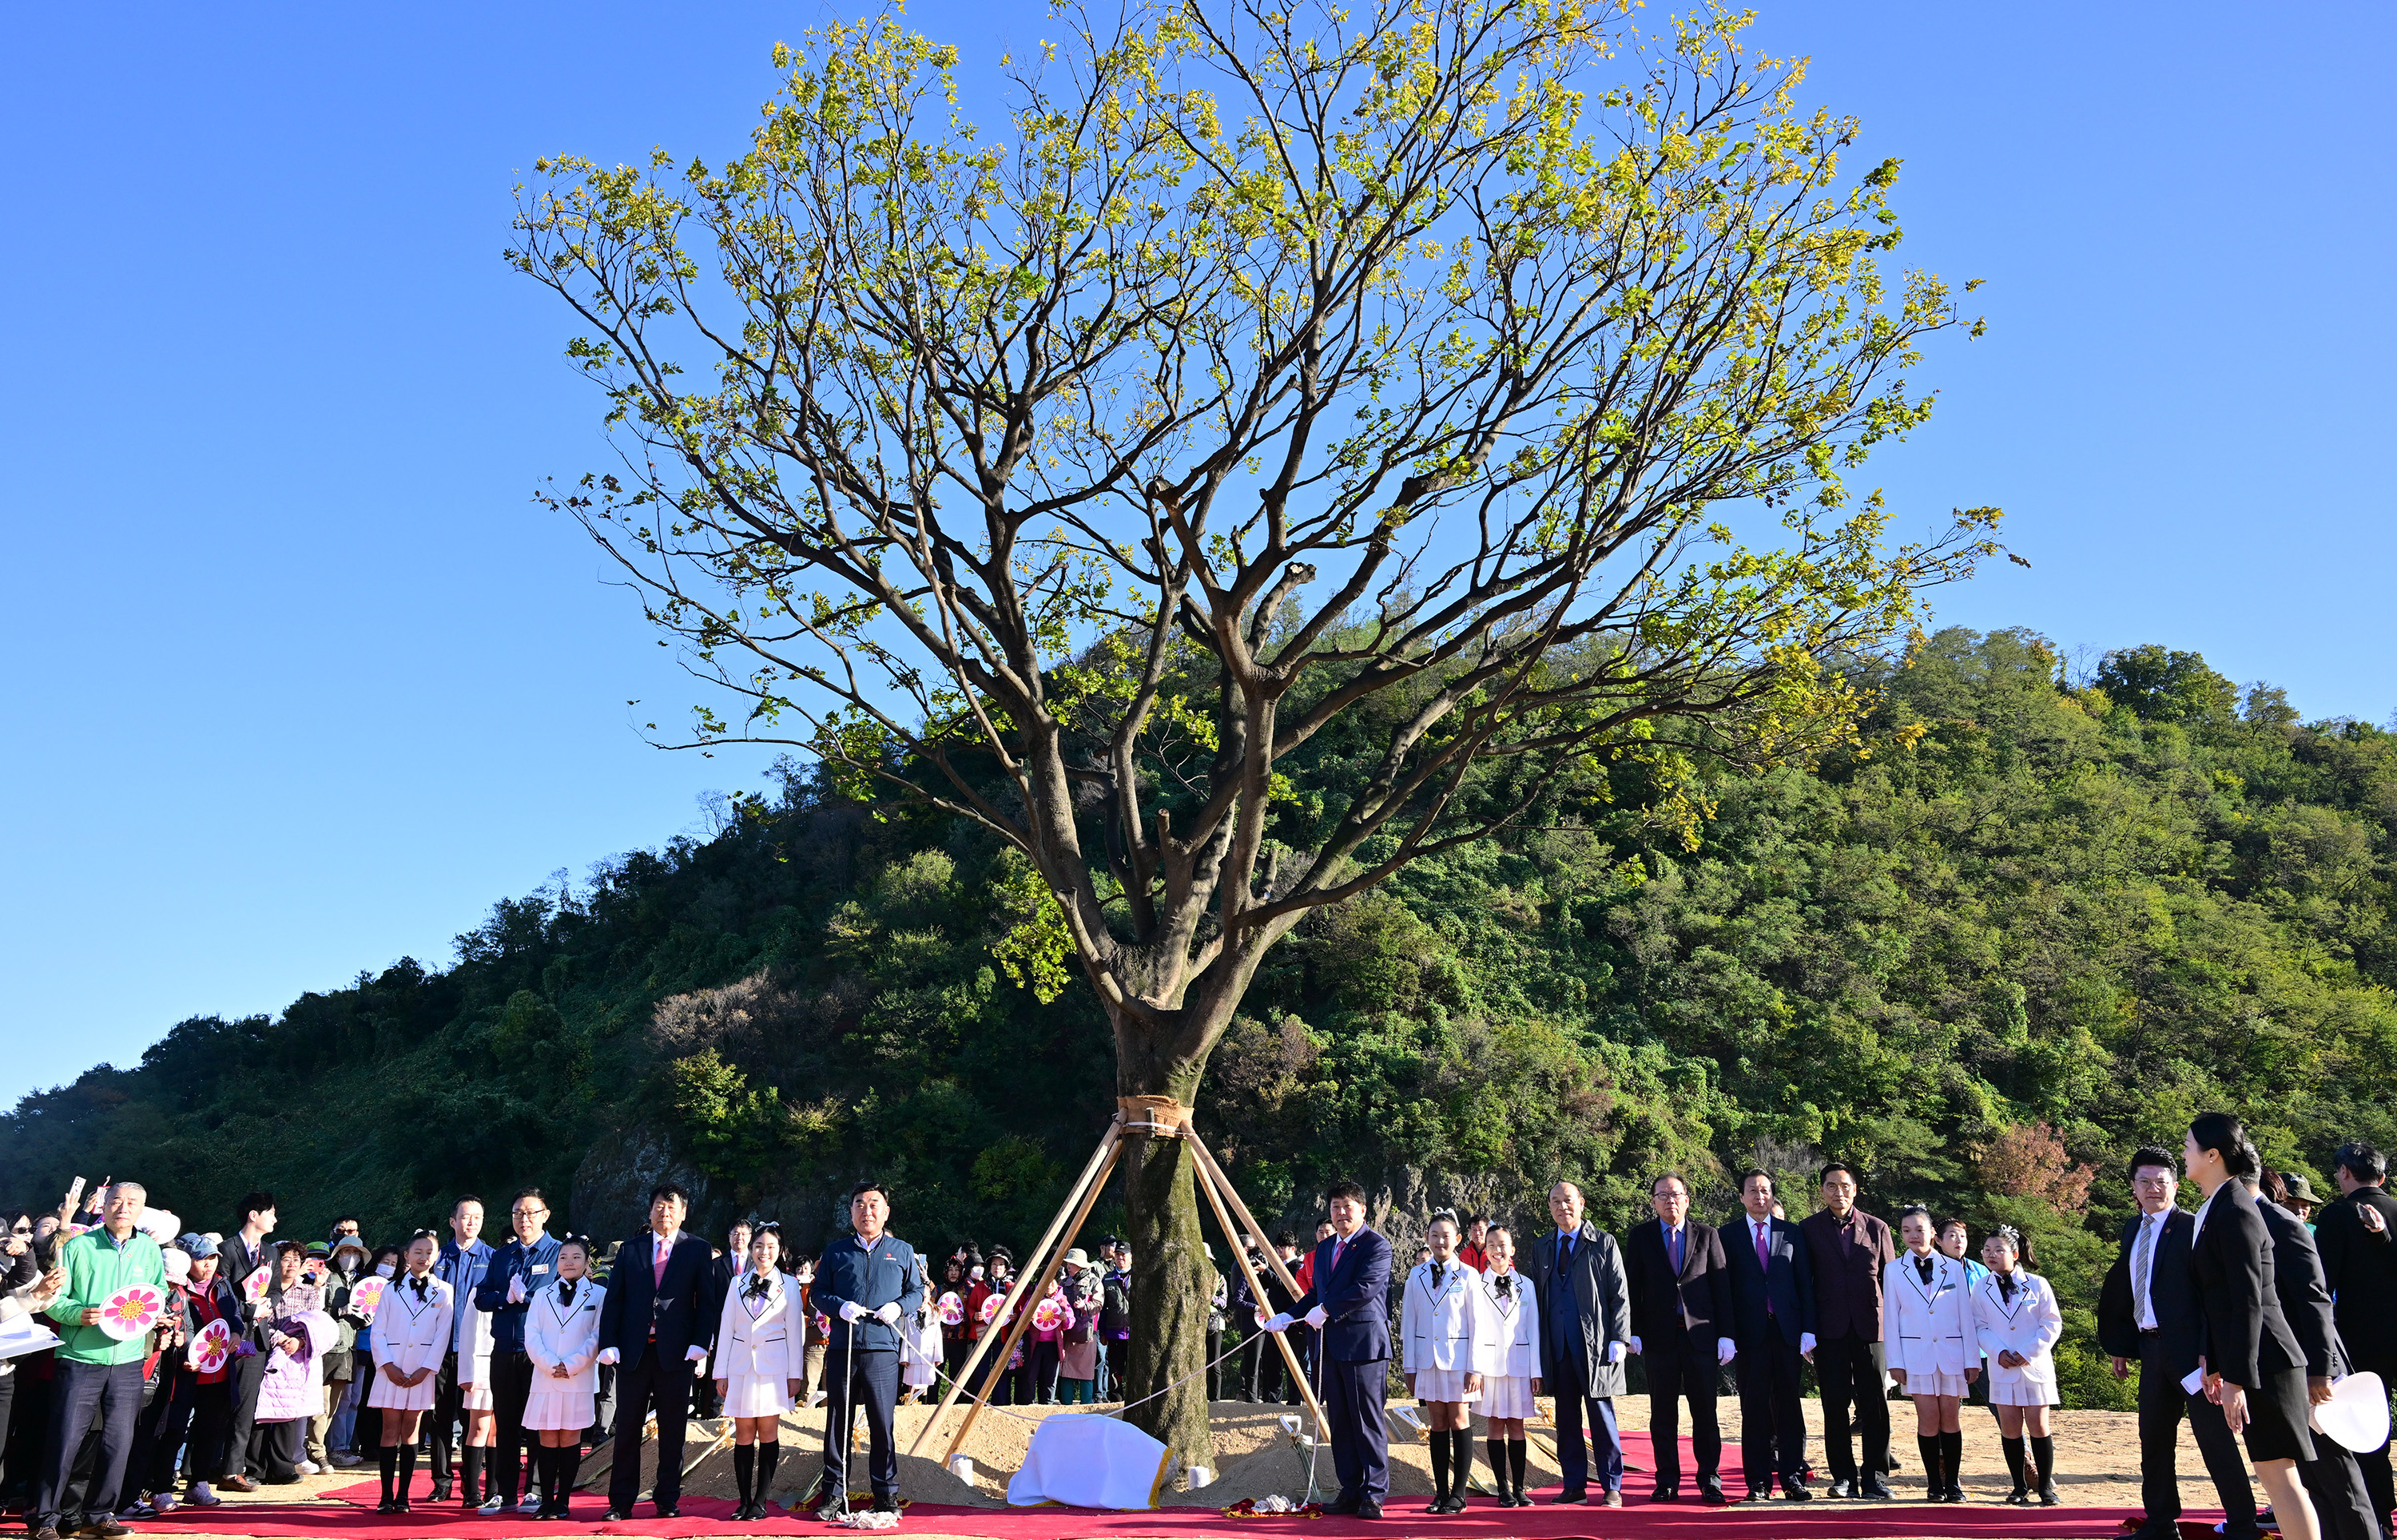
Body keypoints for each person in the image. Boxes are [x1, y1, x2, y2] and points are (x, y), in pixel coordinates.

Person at [2098, 1145, 2263, 1540]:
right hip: (2151, 1348)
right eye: (2144, 1181)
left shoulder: (2193, 1226)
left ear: (2175, 1185)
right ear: (2133, 1186)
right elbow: (2127, 1287)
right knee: (2153, 1439)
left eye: (2161, 1181)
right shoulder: (2132, 1228)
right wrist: (2122, 1343)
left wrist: (2212, 1356)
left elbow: (2213, 1297)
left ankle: (2243, 1525)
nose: (2152, 1188)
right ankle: (2159, 1522)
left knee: (2215, 1440)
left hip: (2195, 1356)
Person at [2184, 1112, 2322, 1540]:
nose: (2183, 1153)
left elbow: (2248, 1302)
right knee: (2273, 1474)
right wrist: (2215, 1364)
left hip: (2271, 1363)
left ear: (2212, 1155)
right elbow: (2217, 1301)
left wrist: (2237, 1380)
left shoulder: (2237, 1209)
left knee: (2281, 1476)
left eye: (2188, 1145)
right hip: (2255, 1362)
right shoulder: (2218, 1205)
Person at [28, 1181, 163, 1540]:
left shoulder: (150, 1249)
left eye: (132, 1202)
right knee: (64, 1440)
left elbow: (158, 1292)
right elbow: (53, 1300)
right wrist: (77, 1315)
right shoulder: (77, 1247)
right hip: (80, 1358)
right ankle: (44, 1519)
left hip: (129, 1361)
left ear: (142, 1210)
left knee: (118, 1442)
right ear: (104, 1206)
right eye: (116, 1200)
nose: (123, 1207)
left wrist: (157, 1313)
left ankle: (99, 1515)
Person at [2253, 1171, 2379, 1540]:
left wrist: (2323, 1371)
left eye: (2302, 1205)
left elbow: (2315, 1302)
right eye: (2293, 1203)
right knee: (2312, 1477)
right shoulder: (2253, 1229)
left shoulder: (2284, 1229)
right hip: (2286, 1372)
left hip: (2316, 1374)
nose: (2299, 1211)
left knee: (2339, 1476)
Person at [1262, 1179, 1393, 1519]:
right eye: (1336, 1207)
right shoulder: (1323, 1249)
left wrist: (1327, 1309)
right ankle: (1349, 1489)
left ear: (1363, 1210)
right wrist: (1289, 1314)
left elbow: (1365, 1288)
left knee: (1366, 1420)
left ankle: (1373, 1494)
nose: (1341, 1213)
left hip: (1363, 1347)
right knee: (1340, 1421)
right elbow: (1315, 1294)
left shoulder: (1376, 1246)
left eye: (1348, 1207)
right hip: (1329, 1347)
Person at [594, 1183, 714, 1522]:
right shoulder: (630, 1249)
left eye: (672, 1207)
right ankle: (620, 1502)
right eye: (660, 1206)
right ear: (650, 1211)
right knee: (627, 1429)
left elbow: (706, 1302)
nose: (665, 1213)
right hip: (633, 1353)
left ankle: (667, 1498)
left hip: (677, 1353)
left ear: (683, 1213)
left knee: (673, 1430)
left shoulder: (698, 1249)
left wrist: (700, 1343)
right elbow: (614, 1300)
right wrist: (608, 1342)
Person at [810, 1179, 924, 1520]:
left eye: (874, 1205)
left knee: (881, 1423)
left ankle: (886, 1494)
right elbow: (818, 1293)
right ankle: (833, 1494)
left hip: (882, 1350)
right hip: (843, 1348)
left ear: (886, 1212)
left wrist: (899, 1307)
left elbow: (917, 1292)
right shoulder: (836, 1251)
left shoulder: (902, 1250)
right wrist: (839, 1307)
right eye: (860, 1204)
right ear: (851, 1212)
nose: (867, 1211)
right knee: (838, 1424)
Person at [1624, 1172, 1732, 1504]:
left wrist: (1726, 1334)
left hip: (1700, 1337)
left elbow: (1722, 1288)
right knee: (1662, 1414)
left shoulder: (1708, 1234)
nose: (1670, 1201)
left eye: (1675, 1195)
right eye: (1663, 1195)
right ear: (1653, 1202)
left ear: (1687, 1199)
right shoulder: (1641, 1236)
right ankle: (1667, 1480)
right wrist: (1632, 1331)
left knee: (1705, 1412)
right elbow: (1632, 1288)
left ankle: (1709, 1479)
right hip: (1659, 1338)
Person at [1523, 1181, 1631, 1507]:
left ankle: (1612, 1485)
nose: (1562, 1207)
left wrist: (1619, 1338)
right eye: (1555, 1201)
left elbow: (1619, 1295)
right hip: (1558, 1347)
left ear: (1581, 1203)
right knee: (1567, 1419)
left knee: (1601, 1417)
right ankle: (1574, 1485)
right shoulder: (1542, 1247)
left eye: (1568, 1200)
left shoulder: (1603, 1243)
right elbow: (1535, 1300)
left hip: (1595, 1346)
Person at [1797, 1161, 1897, 1500]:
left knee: (1875, 1404)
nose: (1838, 1192)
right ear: (1822, 1190)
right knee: (1834, 1404)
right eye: (1831, 1186)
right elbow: (1804, 1284)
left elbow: (1890, 1282)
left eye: (1844, 1186)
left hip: (1872, 1327)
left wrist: (1894, 1331)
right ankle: (1843, 1477)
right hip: (1829, 1329)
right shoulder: (1808, 1229)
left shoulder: (1878, 1227)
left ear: (1855, 1189)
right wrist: (1807, 1331)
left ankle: (1875, 1476)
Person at [2314, 1141, 2397, 1534]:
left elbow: (2320, 1283)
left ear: (2345, 1172)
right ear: (2382, 1175)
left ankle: (2377, 1513)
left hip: (2360, 1338)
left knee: (2366, 1425)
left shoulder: (2337, 1214)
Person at [1722, 1169, 1817, 1501]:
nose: (1759, 1196)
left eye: (1765, 1190)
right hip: (1749, 1335)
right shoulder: (1727, 1235)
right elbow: (1724, 1290)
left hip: (1787, 1331)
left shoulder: (1792, 1233)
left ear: (1772, 1195)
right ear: (1741, 1197)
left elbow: (1805, 1283)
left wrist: (1808, 1328)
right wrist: (1727, 1334)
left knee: (1789, 1405)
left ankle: (1792, 1477)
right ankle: (1758, 1482)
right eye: (1753, 1190)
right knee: (1754, 1408)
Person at [473, 1187, 562, 1514]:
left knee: (538, 1423)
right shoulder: (502, 1256)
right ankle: (505, 1492)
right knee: (506, 1423)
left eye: (531, 1213)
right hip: (504, 1349)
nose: (524, 1219)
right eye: (517, 1214)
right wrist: (504, 1298)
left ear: (545, 1215)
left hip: (540, 1351)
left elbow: (561, 1294)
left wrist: (528, 1298)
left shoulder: (558, 1252)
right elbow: (481, 1297)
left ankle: (535, 1490)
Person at [1884, 1205, 1976, 1502]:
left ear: (1933, 1233)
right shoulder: (1894, 1270)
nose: (1913, 1235)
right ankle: (1934, 1483)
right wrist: (1895, 1362)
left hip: (1952, 1353)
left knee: (1950, 1419)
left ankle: (1953, 1483)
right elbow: (1891, 1319)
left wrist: (1972, 1359)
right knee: (1928, 1419)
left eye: (1919, 1230)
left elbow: (1966, 1316)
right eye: (1906, 1230)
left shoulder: (1953, 1267)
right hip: (1916, 1355)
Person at [713, 1224, 803, 1522]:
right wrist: (720, 1372)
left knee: (767, 1433)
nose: (764, 1252)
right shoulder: (736, 1283)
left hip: (773, 1368)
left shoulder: (789, 1285)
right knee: (743, 1434)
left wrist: (795, 1374)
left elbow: (795, 1332)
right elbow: (726, 1327)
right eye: (759, 1246)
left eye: (771, 1247)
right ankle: (743, 1501)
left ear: (780, 1251)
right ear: (751, 1249)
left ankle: (760, 1502)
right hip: (740, 1367)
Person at [1400, 1211, 1485, 1514]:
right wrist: (1409, 1367)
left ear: (1458, 1239)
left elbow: (1478, 1324)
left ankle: (1459, 1494)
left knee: (1459, 1420)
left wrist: (1475, 1367)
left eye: (1446, 1236)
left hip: (1459, 1363)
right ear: (1427, 1238)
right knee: (1437, 1424)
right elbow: (1408, 1323)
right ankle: (1440, 1493)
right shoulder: (1416, 1275)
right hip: (1427, 1361)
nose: (1440, 1241)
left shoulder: (1469, 1275)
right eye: (1434, 1235)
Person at [1972, 1227, 2063, 1506]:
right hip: (2002, 1366)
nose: (1991, 1255)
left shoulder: (2038, 1284)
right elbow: (1979, 1325)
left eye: (1998, 1250)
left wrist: (2028, 1352)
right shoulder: (1980, 1287)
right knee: (2010, 1429)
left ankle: (2045, 1487)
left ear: (2014, 1254)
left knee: (2039, 1426)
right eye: (1987, 1250)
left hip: (2034, 1365)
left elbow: (2051, 1323)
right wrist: (1998, 1351)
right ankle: (2019, 1487)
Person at [368, 1231, 453, 1514]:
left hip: (421, 1371)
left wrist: (427, 1369)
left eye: (429, 1252)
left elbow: (442, 1334)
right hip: (391, 1368)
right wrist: (387, 1365)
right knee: (390, 1429)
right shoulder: (390, 1289)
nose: (423, 1257)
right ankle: (385, 1496)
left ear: (436, 1256)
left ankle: (403, 1496)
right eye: (418, 1251)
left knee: (411, 1429)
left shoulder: (444, 1291)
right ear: (407, 1255)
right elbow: (378, 1331)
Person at [523, 1236, 604, 1521]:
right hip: (546, 1377)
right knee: (547, 1437)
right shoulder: (542, 1294)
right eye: (563, 1257)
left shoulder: (599, 1295)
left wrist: (571, 1365)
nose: (569, 1262)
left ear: (587, 1262)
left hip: (577, 1378)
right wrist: (549, 1364)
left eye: (576, 1257)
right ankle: (545, 1501)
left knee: (570, 1437)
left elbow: (597, 1335)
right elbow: (531, 1334)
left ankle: (563, 1501)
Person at [431, 1195, 495, 1506]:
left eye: (477, 1217)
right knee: (440, 1418)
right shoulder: (437, 1257)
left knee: (476, 1419)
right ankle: (441, 1482)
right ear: (453, 1221)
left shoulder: (494, 1258)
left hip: (477, 1352)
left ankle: (474, 1483)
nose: (471, 1222)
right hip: (441, 1350)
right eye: (466, 1216)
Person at [1469, 1225, 1539, 1507]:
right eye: (1492, 1245)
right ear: (1485, 1250)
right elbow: (1474, 1329)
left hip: (1520, 1364)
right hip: (1490, 1367)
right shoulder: (1477, 1284)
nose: (1498, 1250)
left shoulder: (1527, 1284)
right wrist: (1476, 1368)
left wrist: (1536, 1371)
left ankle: (1520, 1488)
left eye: (1503, 1245)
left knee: (1517, 1425)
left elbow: (1533, 1329)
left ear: (1512, 1250)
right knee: (1495, 1425)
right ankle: (1503, 1489)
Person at [216, 1190, 277, 1493]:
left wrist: (268, 1304)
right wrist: (249, 1310)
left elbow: (275, 1289)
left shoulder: (271, 1252)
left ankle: (232, 1470)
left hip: (257, 1338)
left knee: (245, 1406)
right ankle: (197, 1467)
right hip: (228, 1336)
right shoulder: (225, 1250)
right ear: (254, 1215)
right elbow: (220, 1292)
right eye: (272, 1213)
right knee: (217, 1403)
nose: (275, 1219)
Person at [699, 1220, 753, 1422]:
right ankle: (711, 1423)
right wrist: (709, 1334)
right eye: (735, 1233)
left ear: (750, 1237)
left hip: (750, 1333)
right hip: (720, 1331)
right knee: (717, 1382)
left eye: (744, 1234)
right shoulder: (716, 1265)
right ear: (729, 1237)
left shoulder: (758, 1265)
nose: (740, 1238)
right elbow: (707, 1302)